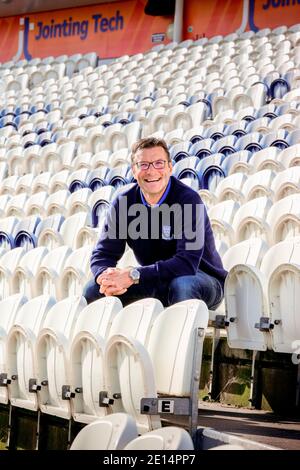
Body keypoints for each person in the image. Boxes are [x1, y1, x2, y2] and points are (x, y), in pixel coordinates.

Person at [83, 137, 227, 308]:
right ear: (134, 170)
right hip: (155, 279)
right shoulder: (124, 202)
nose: (151, 171)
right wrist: (105, 276)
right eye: (143, 164)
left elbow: (186, 263)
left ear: (170, 167)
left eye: (159, 163)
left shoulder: (188, 200)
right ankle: (123, 335)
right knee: (94, 289)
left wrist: (132, 275)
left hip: (201, 278)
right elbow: (103, 254)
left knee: (182, 285)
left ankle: (179, 335)